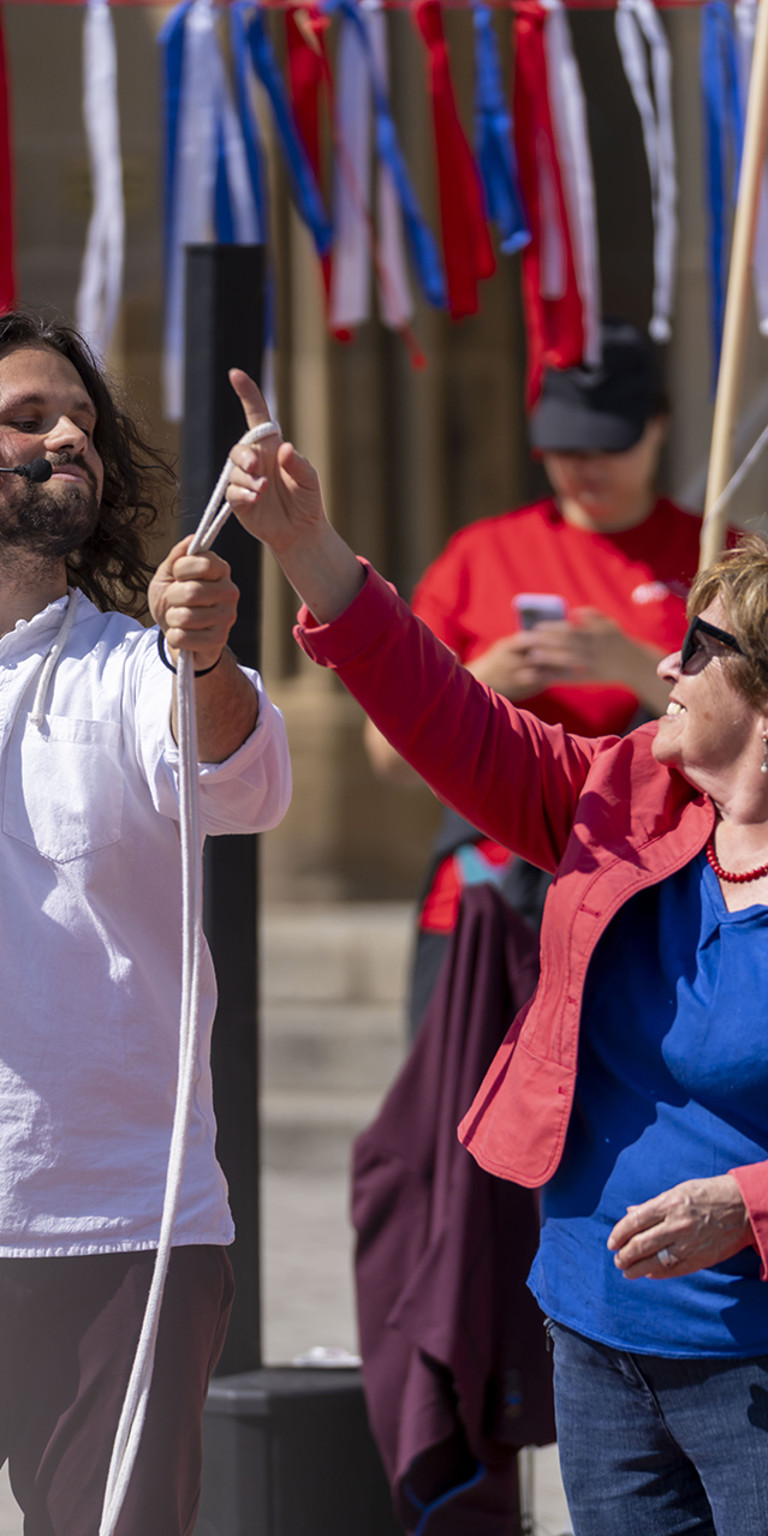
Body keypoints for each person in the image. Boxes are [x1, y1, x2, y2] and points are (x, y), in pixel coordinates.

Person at [223, 366, 768, 1535]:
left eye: (697, 646)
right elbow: (445, 712)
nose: (662, 667)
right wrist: (310, 546)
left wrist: (751, 1204)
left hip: (753, 1371)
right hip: (594, 1334)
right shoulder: (627, 790)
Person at [0, 312, 291, 1536]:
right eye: (26, 418)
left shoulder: (132, 666)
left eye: (82, 421)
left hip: (117, 1228)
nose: (69, 435)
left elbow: (244, 779)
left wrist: (209, 653)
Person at [365, 320, 707, 1029]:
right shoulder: (480, 556)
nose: (586, 468)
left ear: (659, 426)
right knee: (456, 1126)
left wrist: (644, 672)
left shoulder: (715, 558)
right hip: (486, 897)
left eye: (608, 445)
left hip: (656, 898)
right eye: (564, 447)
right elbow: (386, 756)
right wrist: (478, 683)